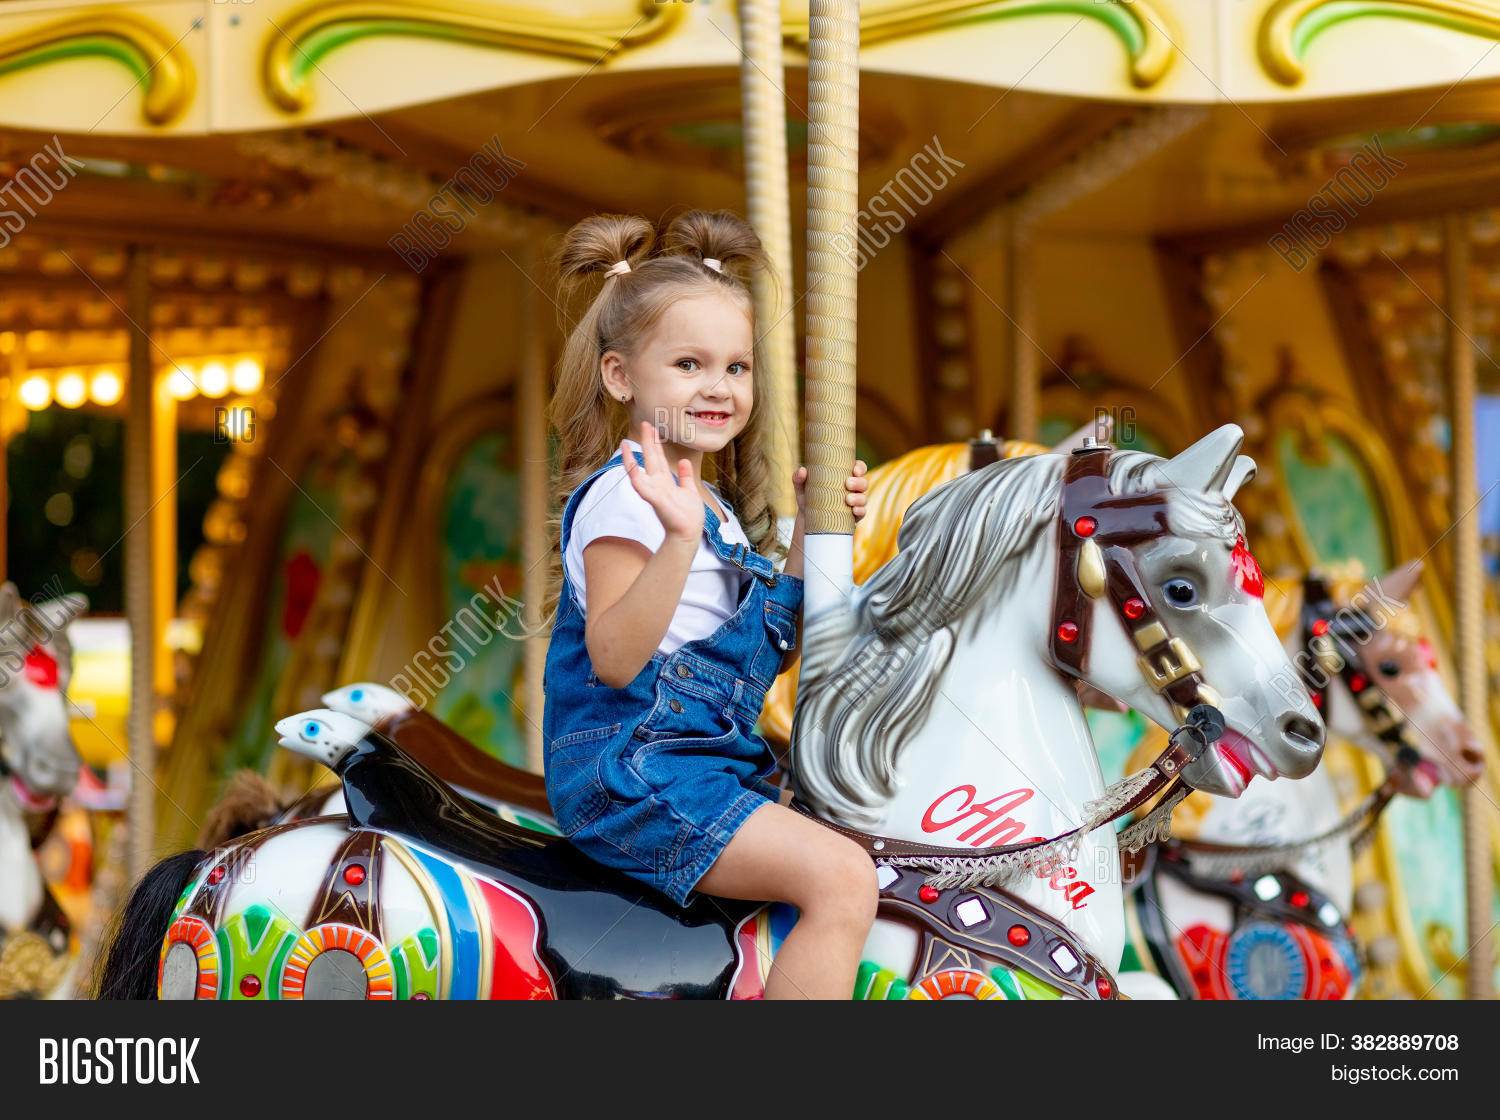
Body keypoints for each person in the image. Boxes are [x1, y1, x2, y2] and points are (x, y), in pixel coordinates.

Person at [537, 210, 877, 999]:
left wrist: (815, 529)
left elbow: (767, 651)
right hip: (633, 773)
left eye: (738, 366)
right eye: (689, 364)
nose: (720, 387)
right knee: (843, 878)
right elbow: (615, 659)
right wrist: (678, 540)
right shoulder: (628, 497)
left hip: (708, 764)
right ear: (620, 376)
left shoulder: (707, 508)